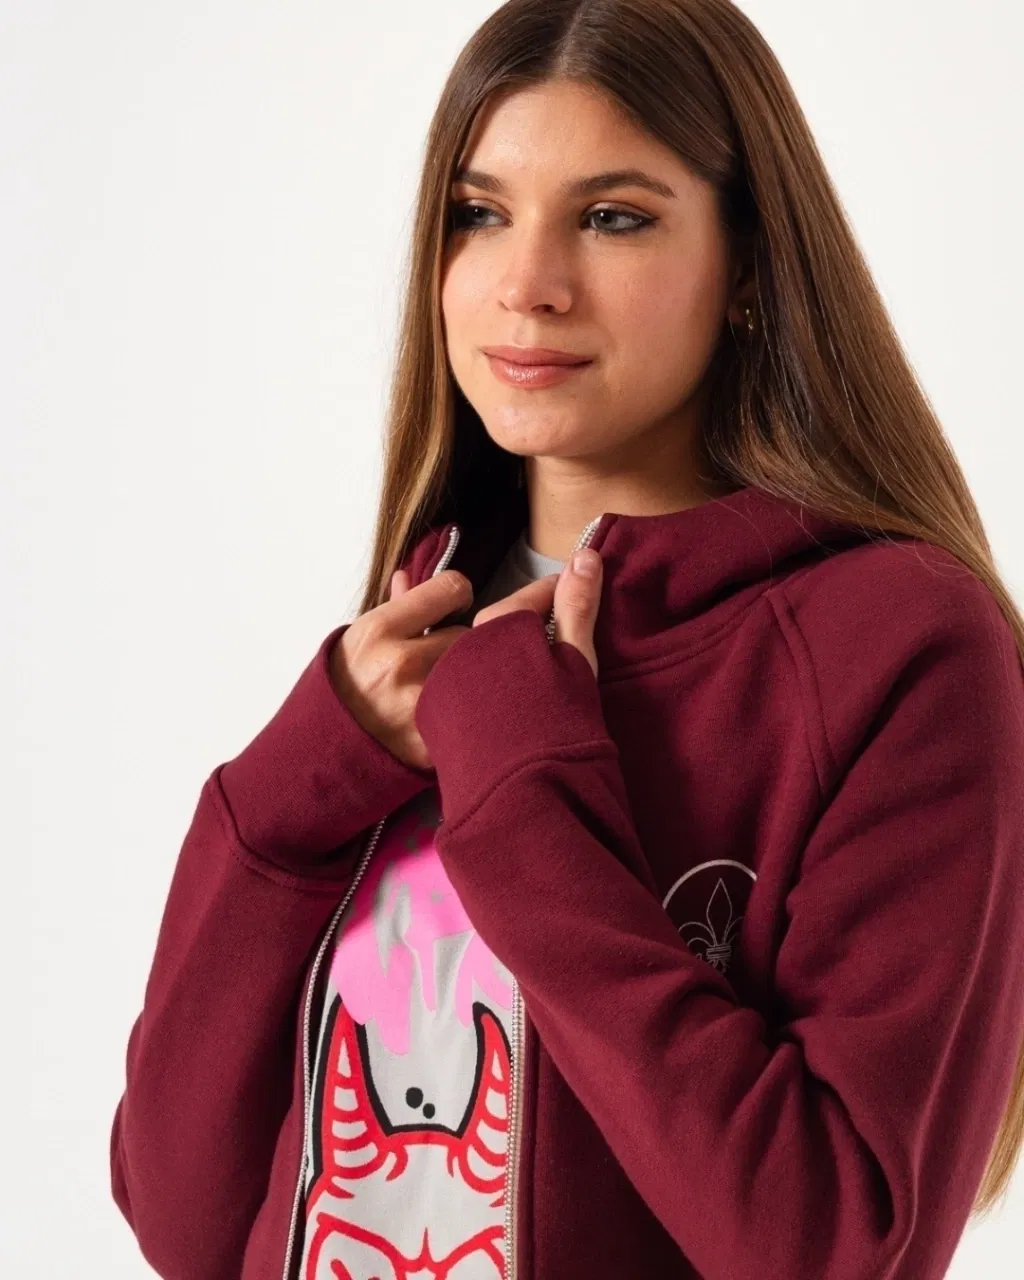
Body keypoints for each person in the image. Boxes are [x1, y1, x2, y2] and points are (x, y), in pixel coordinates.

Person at [109, 1, 1024, 1277]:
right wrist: (283, 799)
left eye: (611, 217)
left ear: (749, 266)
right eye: (478, 212)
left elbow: (831, 1247)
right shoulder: (403, 642)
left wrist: (526, 796)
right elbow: (183, 1220)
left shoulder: (899, 648)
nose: (525, 283)